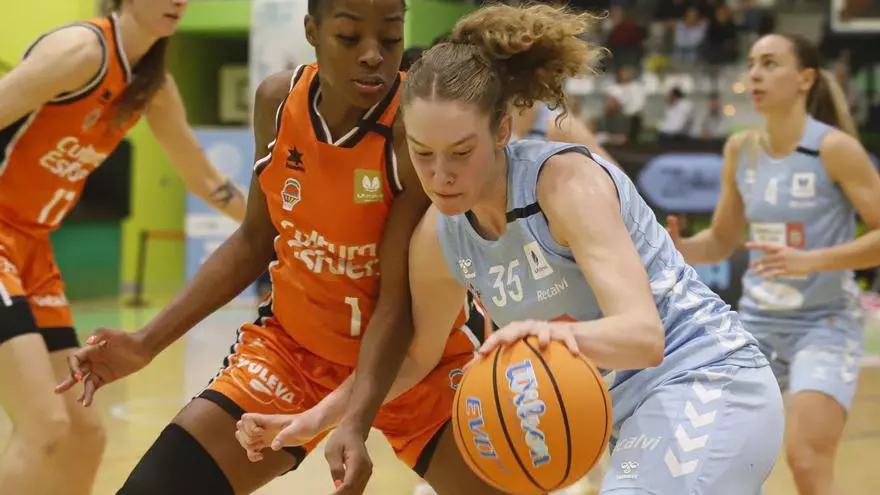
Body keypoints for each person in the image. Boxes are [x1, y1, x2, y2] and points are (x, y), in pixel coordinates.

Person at [236, 4, 785, 495]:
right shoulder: (440, 235)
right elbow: (414, 360)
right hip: (634, 415)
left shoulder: (564, 185)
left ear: (501, 130)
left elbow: (644, 338)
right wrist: (318, 418)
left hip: (707, 377)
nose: (441, 175)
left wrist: (549, 336)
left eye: (461, 152)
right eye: (423, 154)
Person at [54, 0, 505, 494]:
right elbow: (253, 240)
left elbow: (397, 301)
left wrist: (353, 420)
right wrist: (146, 342)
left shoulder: (412, 128)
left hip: (412, 361)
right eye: (349, 37)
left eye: (391, 37)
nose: (373, 54)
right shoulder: (278, 101)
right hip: (294, 352)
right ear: (312, 30)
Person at [0, 1, 246, 494]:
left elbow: (203, 177)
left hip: (32, 247)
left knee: (85, 435)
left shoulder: (151, 84)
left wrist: (279, 229)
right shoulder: (80, 50)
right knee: (45, 426)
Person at [667, 33, 880, 495]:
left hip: (824, 323)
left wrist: (812, 260)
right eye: (751, 64)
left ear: (805, 78)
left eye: (769, 63)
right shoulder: (740, 149)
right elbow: (721, 241)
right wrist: (679, 247)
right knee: (720, 456)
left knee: (805, 460)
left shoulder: (835, 149)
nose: (755, 74)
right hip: (757, 325)